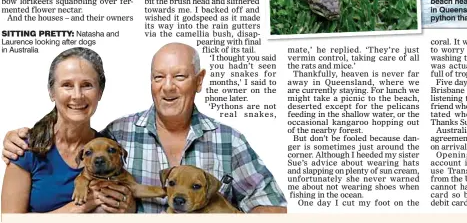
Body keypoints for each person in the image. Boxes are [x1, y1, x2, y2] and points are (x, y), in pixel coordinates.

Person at [3, 43, 287, 214]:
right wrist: (14, 136)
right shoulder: (117, 135)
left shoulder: (230, 142)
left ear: (199, 81)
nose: (167, 87)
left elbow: (271, 204)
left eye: (179, 77)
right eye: (158, 77)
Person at [1, 47, 130, 213]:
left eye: (87, 85)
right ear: (51, 92)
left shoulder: (108, 149)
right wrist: (77, 208)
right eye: (67, 85)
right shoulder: (24, 148)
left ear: (100, 92)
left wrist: (128, 206)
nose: (77, 95)